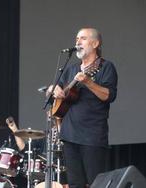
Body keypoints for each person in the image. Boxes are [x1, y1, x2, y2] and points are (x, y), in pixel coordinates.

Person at [48, 27, 118, 188]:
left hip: (92, 135)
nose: (78, 41)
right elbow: (52, 91)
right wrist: (53, 89)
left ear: (95, 43)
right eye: (77, 38)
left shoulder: (106, 67)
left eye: (83, 38)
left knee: (97, 183)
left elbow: (109, 96)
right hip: (69, 135)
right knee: (74, 184)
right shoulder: (71, 68)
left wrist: (88, 82)